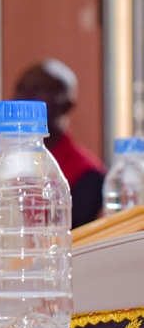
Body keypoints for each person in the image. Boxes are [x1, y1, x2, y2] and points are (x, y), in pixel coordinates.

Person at [14, 59, 105, 226]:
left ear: (66, 105)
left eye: (38, 91)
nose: (23, 99)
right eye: (21, 89)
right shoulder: (1, 161)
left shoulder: (87, 174)